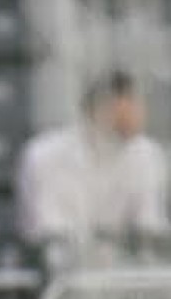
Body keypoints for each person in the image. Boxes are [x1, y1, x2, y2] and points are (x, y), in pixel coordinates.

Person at [16, 70, 169, 247]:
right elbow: (47, 231)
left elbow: (149, 226)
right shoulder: (43, 155)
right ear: (93, 110)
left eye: (135, 102)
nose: (133, 112)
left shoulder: (148, 155)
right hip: (58, 265)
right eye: (121, 103)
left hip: (124, 266)